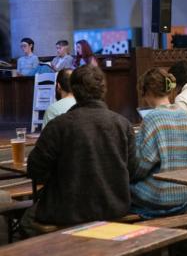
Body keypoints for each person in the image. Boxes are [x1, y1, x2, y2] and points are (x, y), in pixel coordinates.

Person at [24, 65, 135, 232]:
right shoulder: (123, 124)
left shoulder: (59, 125)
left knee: (26, 221)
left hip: (67, 211)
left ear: (74, 91)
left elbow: (34, 169)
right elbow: (132, 170)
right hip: (114, 208)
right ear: (103, 90)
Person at [130, 68, 187, 218]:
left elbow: (141, 165)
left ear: (146, 92)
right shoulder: (185, 115)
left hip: (160, 198)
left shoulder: (152, 118)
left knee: (121, 189)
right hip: (186, 195)